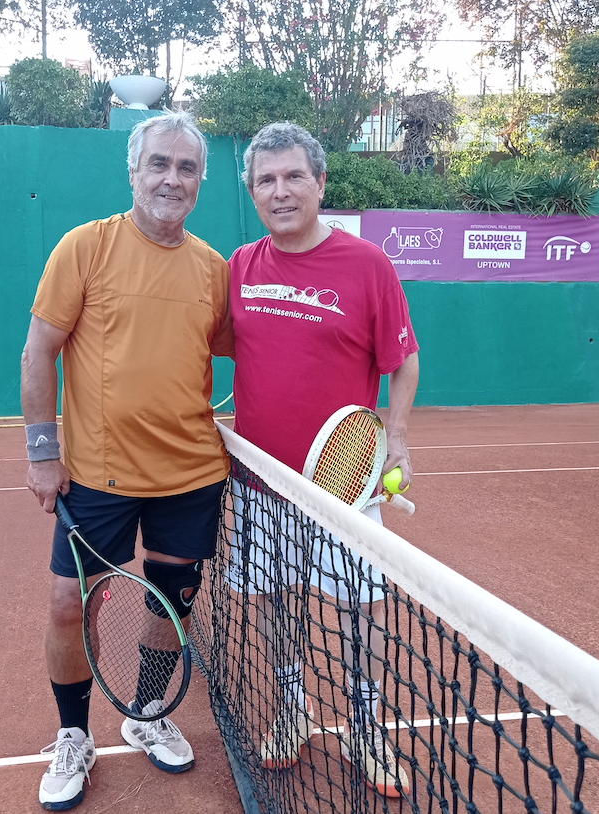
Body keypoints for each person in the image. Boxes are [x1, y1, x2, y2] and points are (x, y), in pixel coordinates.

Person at [20, 112, 232, 811]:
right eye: (159, 164)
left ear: (200, 181)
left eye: (186, 168)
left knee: (171, 602)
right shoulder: (85, 247)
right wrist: (43, 453)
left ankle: (146, 713)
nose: (172, 179)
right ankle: (73, 736)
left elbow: (255, 347)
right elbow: (39, 352)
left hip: (191, 476)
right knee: (67, 605)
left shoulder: (213, 270)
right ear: (134, 171)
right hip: (96, 477)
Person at [227, 122, 420, 797]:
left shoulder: (368, 265)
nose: (280, 191)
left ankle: (365, 724)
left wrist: (396, 436)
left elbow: (403, 359)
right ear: (252, 192)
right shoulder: (239, 267)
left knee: (360, 610)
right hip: (260, 483)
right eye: (265, 180)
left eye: (293, 177)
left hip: (345, 489)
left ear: (320, 183)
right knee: (274, 602)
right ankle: (292, 708)